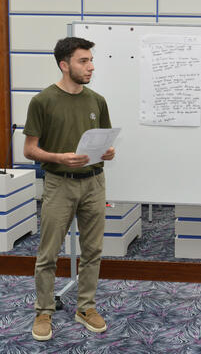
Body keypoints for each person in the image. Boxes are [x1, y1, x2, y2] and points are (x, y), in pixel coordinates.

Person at [23, 37, 115, 341]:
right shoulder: (42, 101)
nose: (91, 67)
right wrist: (58, 157)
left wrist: (108, 152)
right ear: (64, 65)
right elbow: (29, 150)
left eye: (91, 60)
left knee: (93, 250)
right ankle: (44, 311)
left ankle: (85, 307)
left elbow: (104, 141)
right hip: (59, 183)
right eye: (83, 61)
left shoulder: (97, 100)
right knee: (48, 252)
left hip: (94, 183)